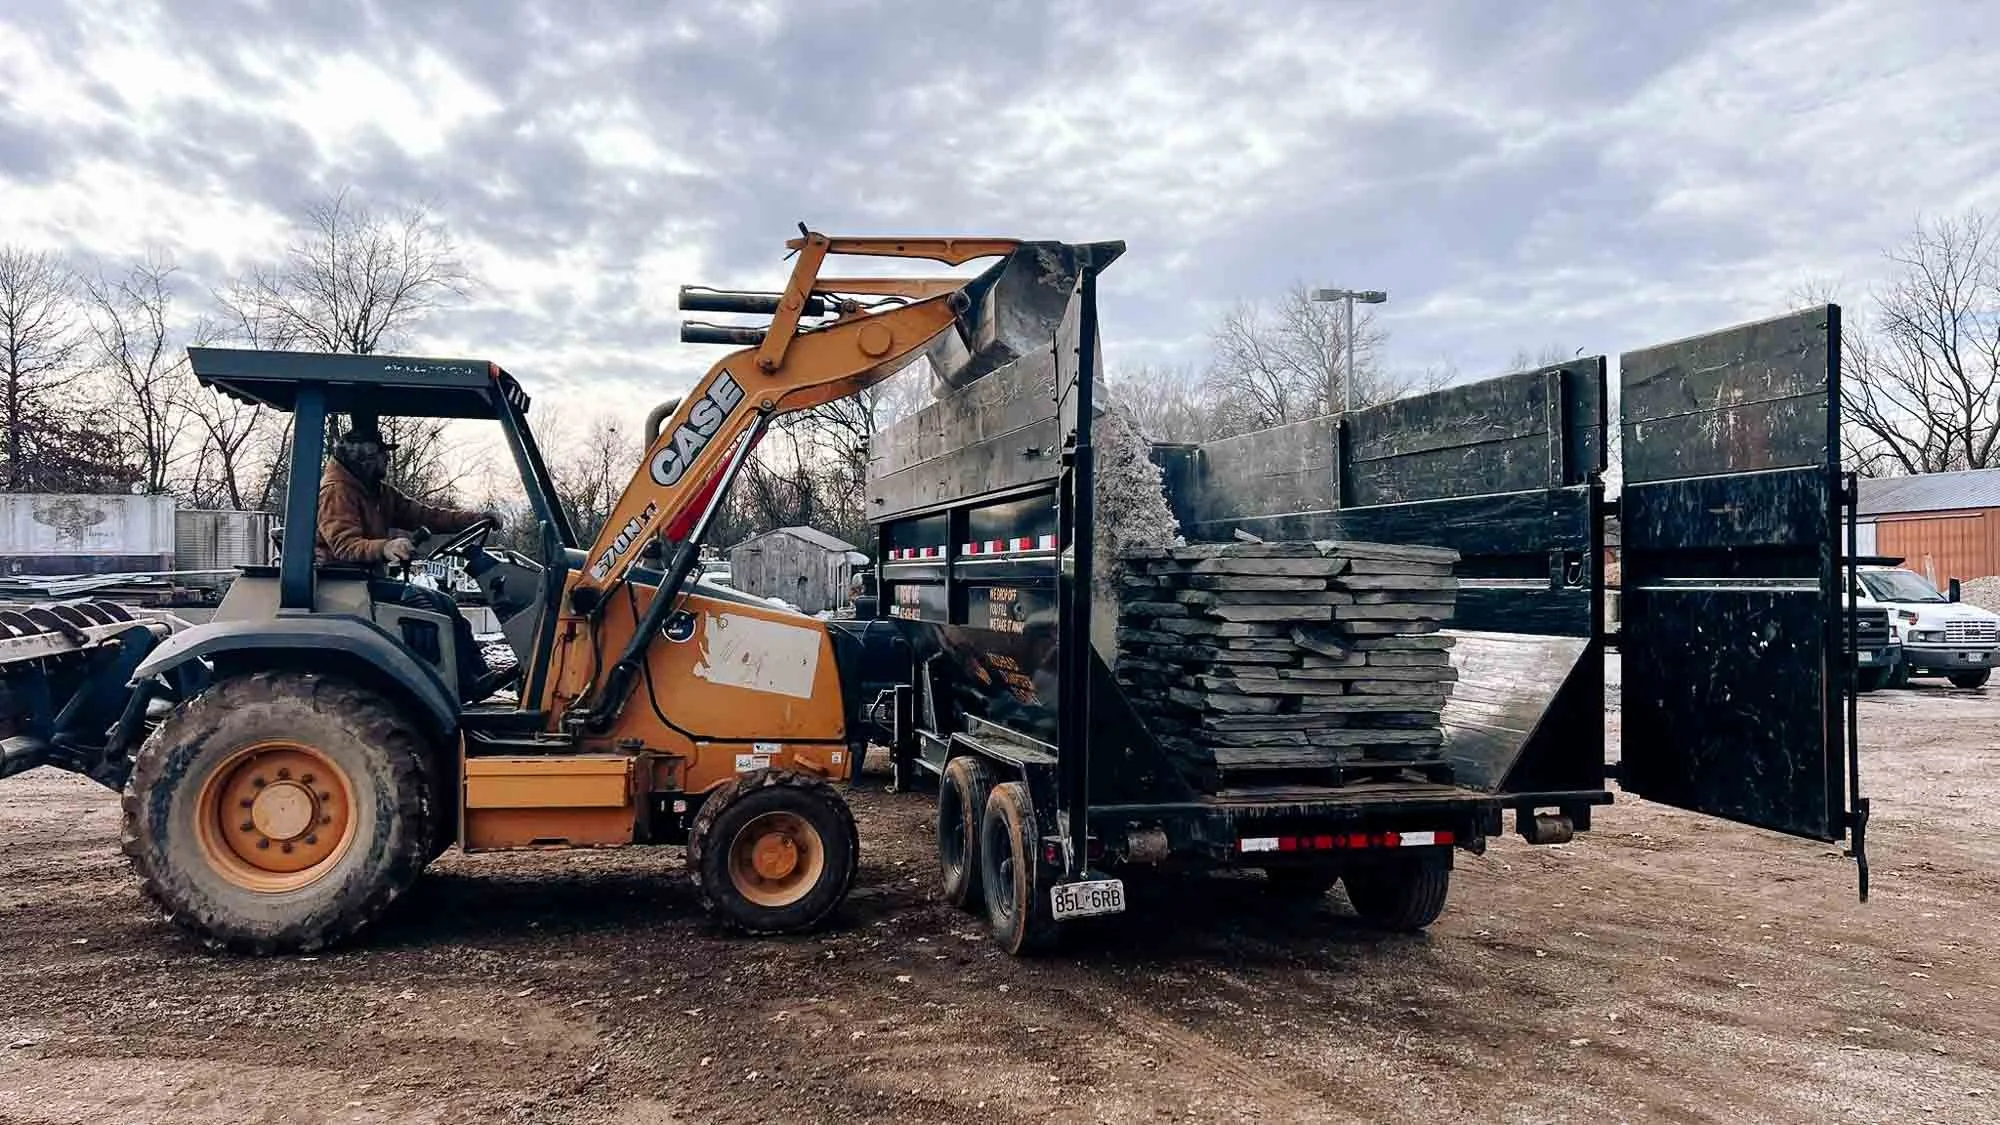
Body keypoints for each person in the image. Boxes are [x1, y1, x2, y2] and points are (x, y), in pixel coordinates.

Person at [315, 414, 505, 700]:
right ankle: (442, 689)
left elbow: (426, 515)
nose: (387, 461)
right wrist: (385, 548)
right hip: (342, 586)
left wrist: (475, 519)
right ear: (366, 458)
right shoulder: (337, 492)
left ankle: (474, 681)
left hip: (365, 583)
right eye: (382, 455)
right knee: (425, 608)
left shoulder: (377, 493)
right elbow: (344, 545)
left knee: (445, 603)